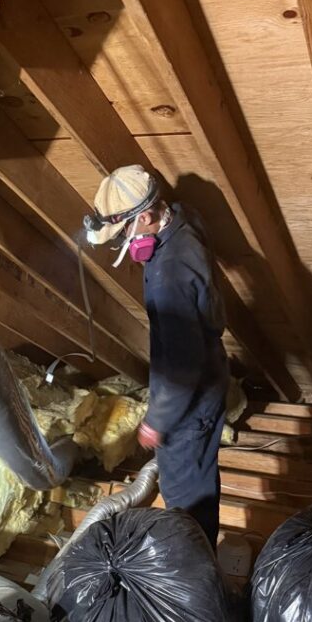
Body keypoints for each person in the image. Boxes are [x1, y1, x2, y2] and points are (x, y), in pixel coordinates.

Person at [84, 164, 229, 548]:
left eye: (124, 233)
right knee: (201, 471)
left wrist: (157, 420)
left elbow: (182, 368)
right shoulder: (184, 218)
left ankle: (193, 567)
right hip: (211, 366)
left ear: (146, 216)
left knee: (185, 494)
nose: (122, 244)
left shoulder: (170, 277)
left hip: (191, 393)